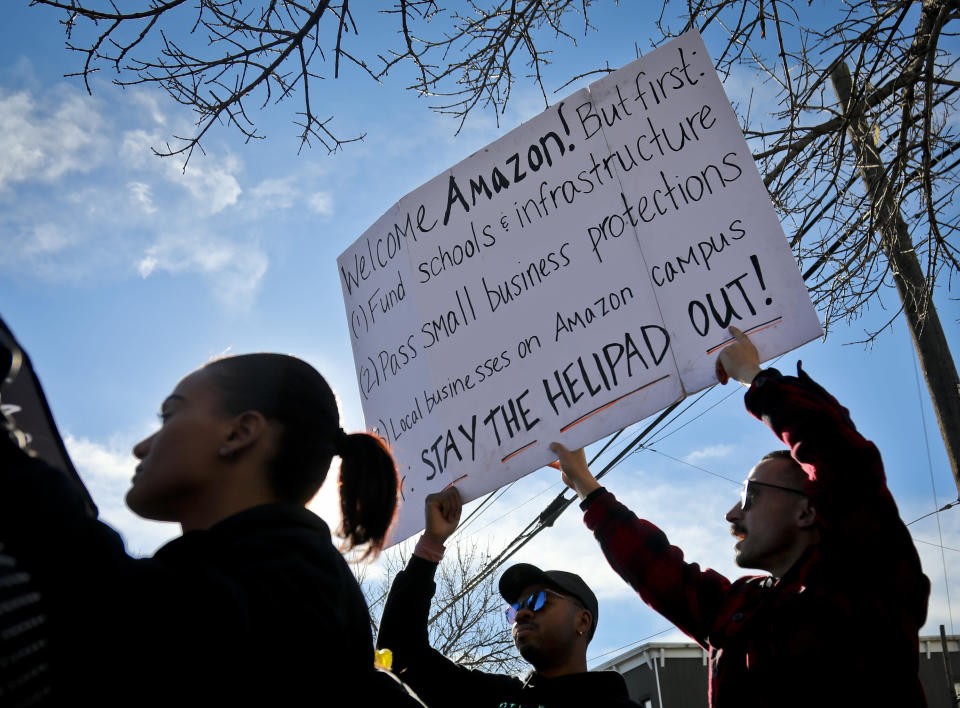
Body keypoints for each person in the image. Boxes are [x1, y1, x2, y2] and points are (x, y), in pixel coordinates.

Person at [0, 352, 420, 705]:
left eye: (169, 415)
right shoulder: (277, 578)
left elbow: (118, 623)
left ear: (240, 433)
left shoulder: (296, 591)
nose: (140, 446)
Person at [551, 326, 931, 707]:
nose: (732, 513)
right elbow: (657, 570)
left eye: (751, 495)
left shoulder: (866, 574)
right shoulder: (740, 608)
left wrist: (756, 377)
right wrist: (587, 487)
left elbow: (839, 455)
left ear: (808, 509)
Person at [377, 486, 641, 708]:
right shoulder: (495, 698)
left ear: (582, 622)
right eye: (515, 610)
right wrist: (432, 543)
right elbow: (399, 653)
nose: (523, 613)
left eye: (540, 600)